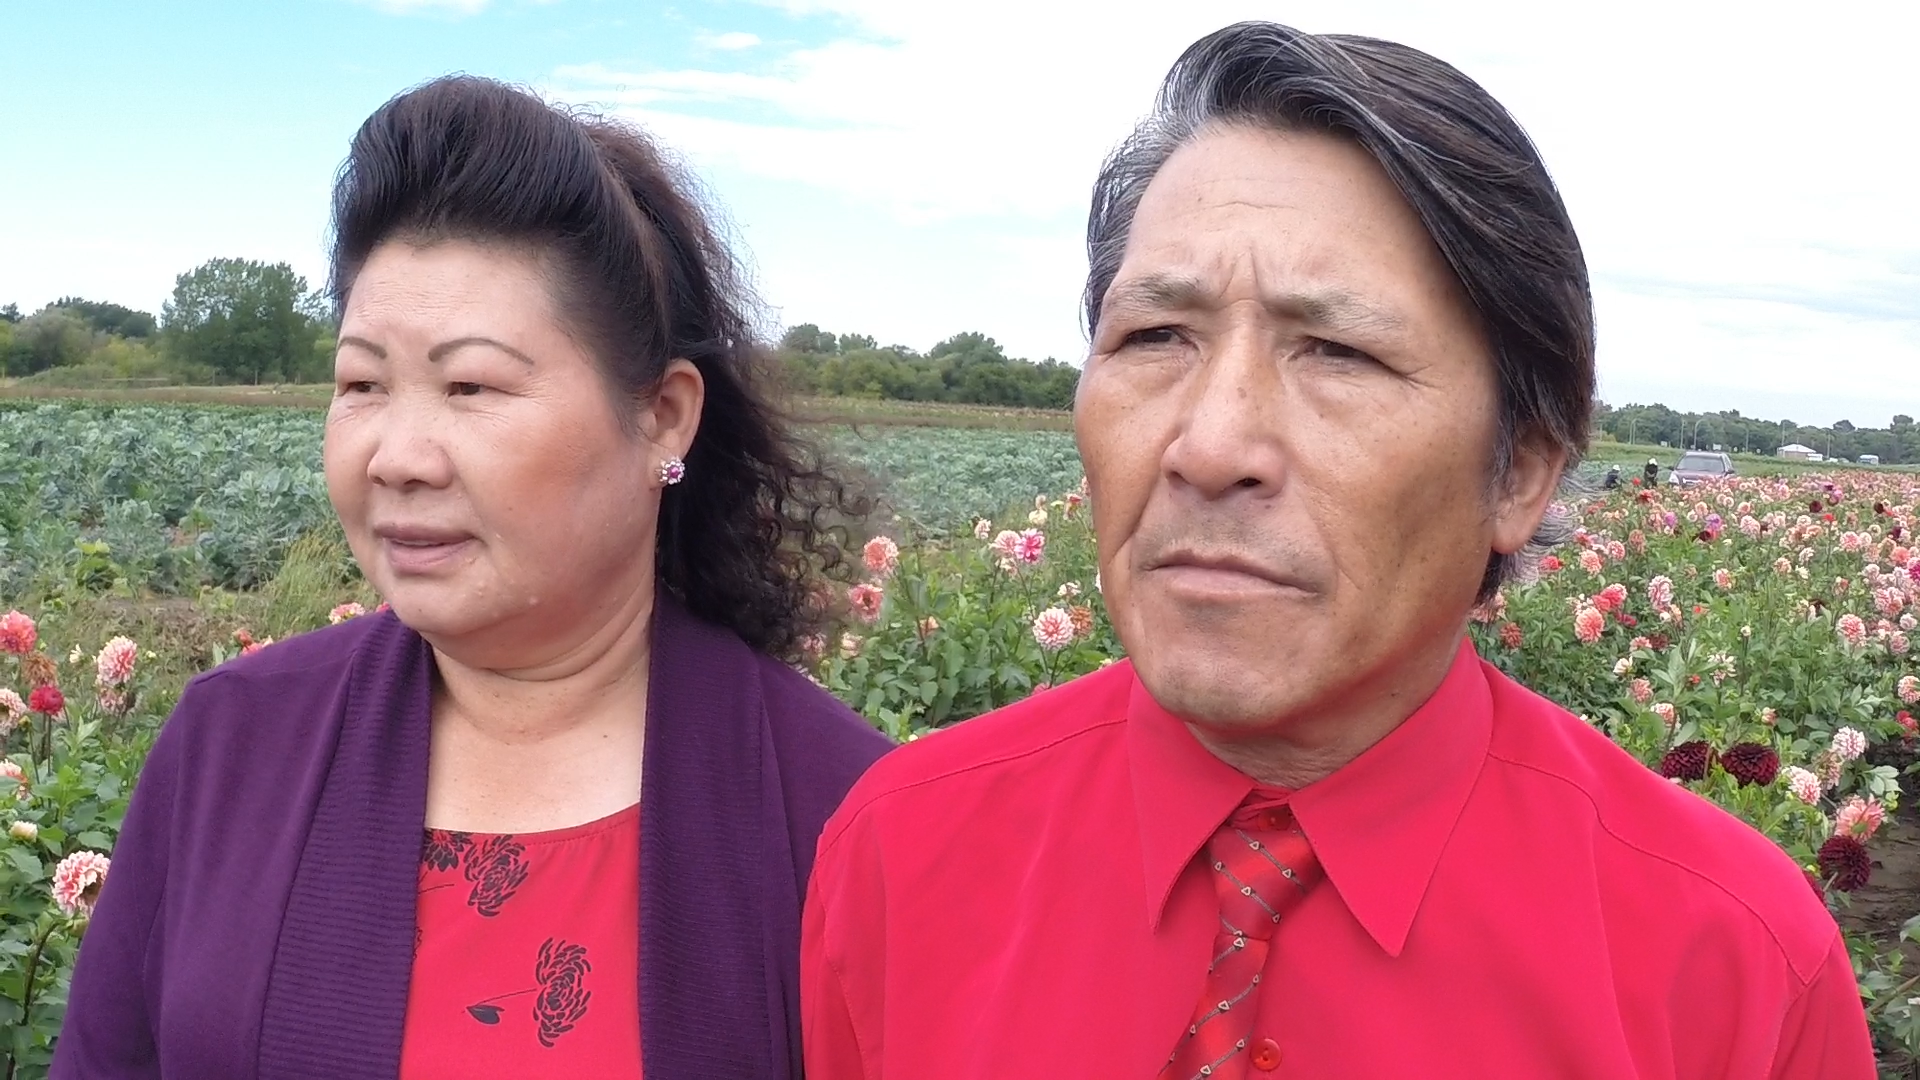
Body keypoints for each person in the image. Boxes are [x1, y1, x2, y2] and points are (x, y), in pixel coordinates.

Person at [801, 22, 1874, 1079]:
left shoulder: (1731, 963)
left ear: (1520, 472)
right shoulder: (903, 853)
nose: (1211, 446)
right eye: (1155, 336)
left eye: (1339, 352)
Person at [55, 76, 891, 1080]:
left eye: (471, 386)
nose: (399, 455)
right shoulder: (231, 746)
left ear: (663, 415)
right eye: (361, 383)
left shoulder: (843, 816)